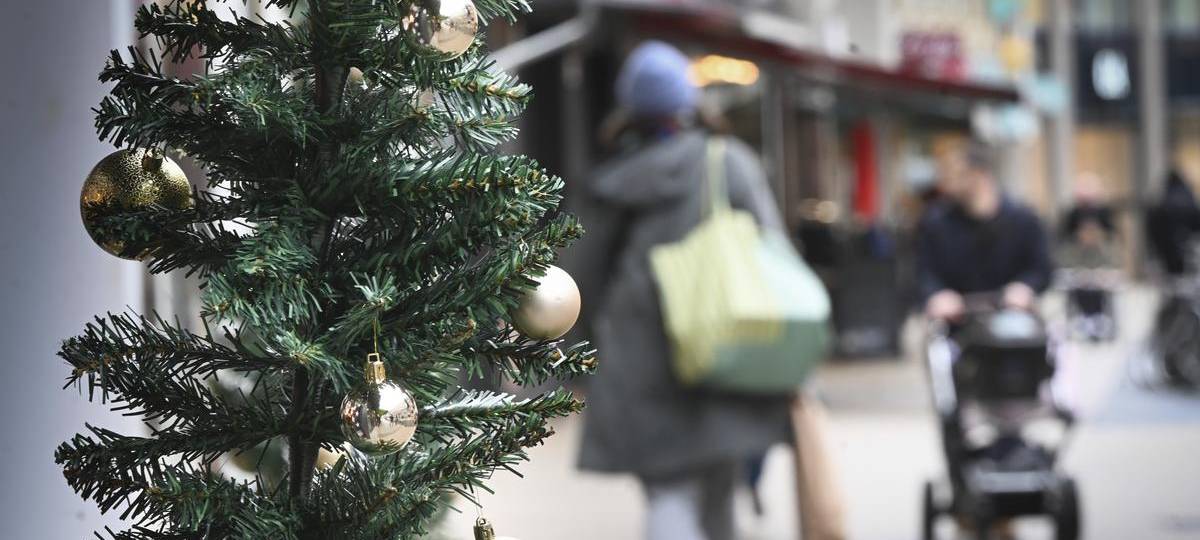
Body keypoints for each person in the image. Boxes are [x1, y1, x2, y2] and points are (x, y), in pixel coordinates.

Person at [562, 41, 792, 540]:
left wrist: (581, 356)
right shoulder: (729, 163)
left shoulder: (613, 180)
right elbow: (778, 258)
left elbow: (579, 280)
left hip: (641, 357)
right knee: (718, 490)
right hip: (728, 348)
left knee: (670, 491)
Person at [917, 141, 1053, 320]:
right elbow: (924, 271)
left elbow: (1041, 268)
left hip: (1013, 318)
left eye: (955, 173)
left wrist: (1025, 287)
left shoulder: (1024, 219)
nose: (945, 181)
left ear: (979, 174)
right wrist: (937, 294)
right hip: (956, 319)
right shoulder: (936, 223)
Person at [1147, 169, 1200, 276]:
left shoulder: (1162, 201)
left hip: (1167, 253)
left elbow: (1152, 227)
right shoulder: (1188, 198)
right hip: (1188, 251)